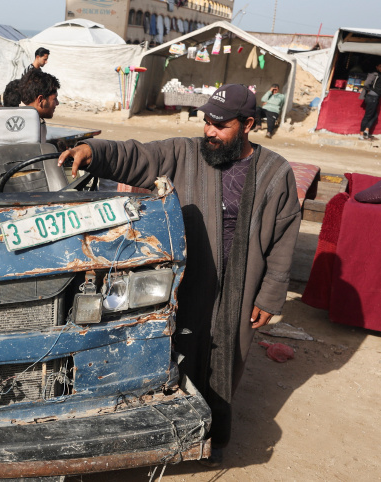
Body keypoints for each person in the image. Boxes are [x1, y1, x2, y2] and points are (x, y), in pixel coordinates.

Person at [58, 84, 301, 467]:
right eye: (206, 121)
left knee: (226, 362)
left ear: (248, 124)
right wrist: (94, 153)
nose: (209, 131)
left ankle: (213, 438)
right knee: (176, 355)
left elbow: (284, 241)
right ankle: (170, 437)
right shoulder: (184, 153)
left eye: (220, 125)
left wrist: (270, 296)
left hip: (241, 286)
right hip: (187, 282)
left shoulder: (275, 173)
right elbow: (136, 155)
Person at [0, 68, 59, 153]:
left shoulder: (37, 122)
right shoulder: (12, 120)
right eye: (54, 99)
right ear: (40, 100)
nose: (57, 103)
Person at [360, 62, 381, 140]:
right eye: (380, 66)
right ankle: (361, 135)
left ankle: (366, 131)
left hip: (375, 98)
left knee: (374, 116)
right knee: (367, 116)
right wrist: (369, 90)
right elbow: (366, 83)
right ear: (377, 67)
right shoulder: (374, 74)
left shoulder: (379, 75)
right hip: (372, 97)